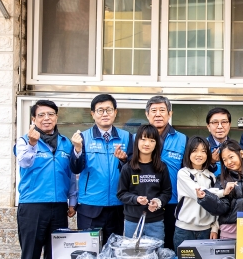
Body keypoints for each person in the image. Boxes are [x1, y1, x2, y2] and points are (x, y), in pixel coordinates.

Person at [15, 100, 77, 259]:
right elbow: (24, 162)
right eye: (41, 115)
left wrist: (72, 202)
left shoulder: (65, 143)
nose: (46, 118)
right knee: (30, 256)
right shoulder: (24, 141)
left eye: (51, 114)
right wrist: (33, 144)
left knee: (54, 257)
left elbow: (70, 176)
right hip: (32, 206)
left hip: (58, 207)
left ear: (56, 118)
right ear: (34, 119)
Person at [70, 94, 131, 243]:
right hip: (90, 206)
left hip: (118, 206)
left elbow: (133, 170)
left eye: (109, 110)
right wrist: (77, 149)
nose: (105, 114)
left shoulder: (127, 137)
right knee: (89, 255)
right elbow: (75, 168)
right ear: (93, 114)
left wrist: (124, 160)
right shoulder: (82, 138)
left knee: (114, 254)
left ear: (115, 112)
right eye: (100, 110)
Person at [198, 140, 243, 239]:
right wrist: (206, 198)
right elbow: (221, 208)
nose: (228, 162)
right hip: (230, 232)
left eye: (231, 157)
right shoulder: (222, 179)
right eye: (224, 160)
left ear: (241, 154)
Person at [117, 124, 172, 240]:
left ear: (156, 144)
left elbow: (167, 192)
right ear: (137, 141)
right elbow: (121, 194)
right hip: (132, 221)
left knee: (156, 255)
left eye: (152, 140)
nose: (147, 144)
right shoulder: (128, 167)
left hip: (156, 222)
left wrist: (158, 202)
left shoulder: (161, 167)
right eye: (143, 139)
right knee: (132, 256)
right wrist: (136, 199)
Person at [145, 95, 186, 248]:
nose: (158, 114)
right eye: (153, 110)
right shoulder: (137, 138)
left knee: (170, 244)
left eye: (162, 110)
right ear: (147, 114)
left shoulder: (182, 139)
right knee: (148, 247)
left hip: (173, 201)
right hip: (146, 201)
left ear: (170, 114)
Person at [173, 136, 220, 250]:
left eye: (203, 151)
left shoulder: (211, 177)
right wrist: (222, 192)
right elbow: (199, 193)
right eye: (195, 151)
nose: (199, 155)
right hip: (184, 230)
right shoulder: (183, 173)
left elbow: (217, 205)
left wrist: (215, 227)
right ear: (188, 152)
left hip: (206, 230)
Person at [206, 107, 233, 177]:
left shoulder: (235, 147)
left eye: (224, 122)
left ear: (229, 125)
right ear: (208, 126)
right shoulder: (202, 147)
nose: (220, 126)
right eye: (215, 122)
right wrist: (211, 162)